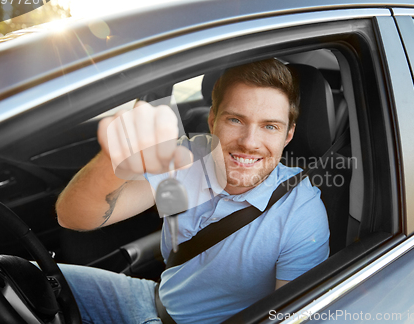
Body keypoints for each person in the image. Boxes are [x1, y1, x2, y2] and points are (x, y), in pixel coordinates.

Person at [55, 59, 330, 324]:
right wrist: (115, 156)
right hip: (152, 300)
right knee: (24, 277)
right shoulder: (189, 155)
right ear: (212, 120)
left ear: (289, 135)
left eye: (270, 126)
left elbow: (290, 317)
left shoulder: (301, 212)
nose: (249, 142)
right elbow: (74, 217)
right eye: (235, 120)